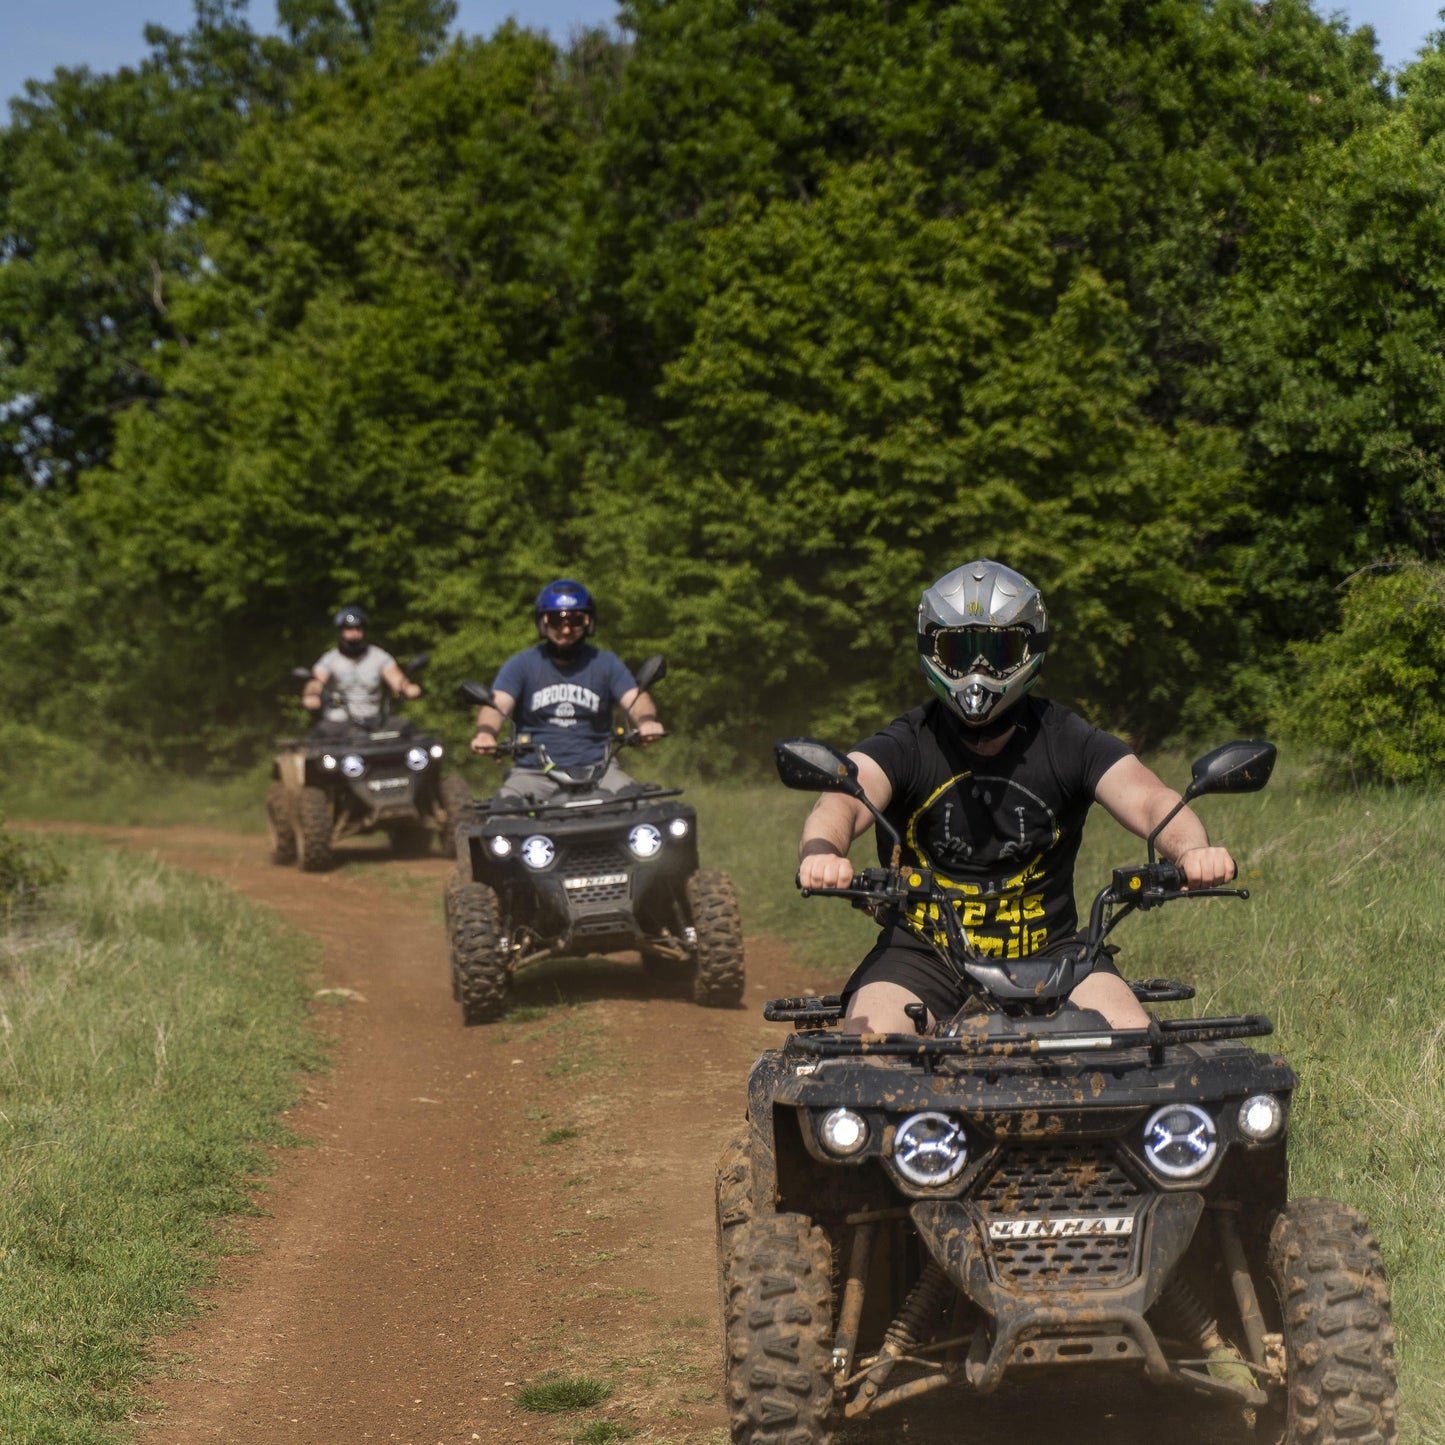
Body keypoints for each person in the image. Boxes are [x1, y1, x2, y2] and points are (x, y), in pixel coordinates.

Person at [797, 559, 1237, 1033]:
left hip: (1055, 953)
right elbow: (842, 798)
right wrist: (824, 854)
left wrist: (1192, 852)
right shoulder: (907, 742)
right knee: (873, 1040)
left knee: (1130, 1033)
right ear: (931, 651)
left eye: (999, 649)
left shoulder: (1067, 739)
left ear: (1032, 648)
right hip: (922, 956)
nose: (978, 670)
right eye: (959, 650)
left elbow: (1151, 799)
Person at [469, 580, 664, 799]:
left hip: (600, 770)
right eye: (556, 620)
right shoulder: (522, 665)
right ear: (543, 622)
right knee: (504, 809)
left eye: (575, 620)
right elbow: (497, 703)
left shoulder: (606, 664)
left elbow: (635, 698)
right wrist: (486, 734)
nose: (566, 629)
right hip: (533, 774)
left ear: (589, 622)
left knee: (635, 803)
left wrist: (646, 722)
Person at [303, 605, 423, 739]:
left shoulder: (378, 656)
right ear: (341, 632)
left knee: (407, 728)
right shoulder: (330, 659)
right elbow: (316, 681)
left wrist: (407, 688)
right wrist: (312, 695)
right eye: (349, 629)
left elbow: (396, 679)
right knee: (321, 732)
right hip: (339, 722)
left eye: (358, 629)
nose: (354, 634)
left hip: (374, 720)